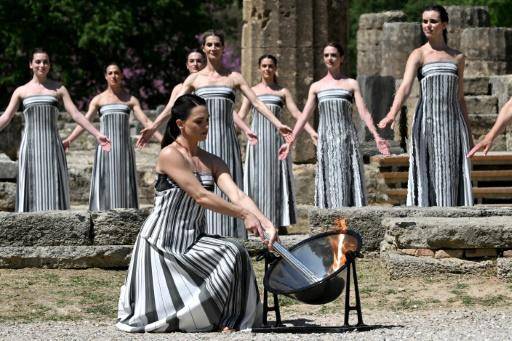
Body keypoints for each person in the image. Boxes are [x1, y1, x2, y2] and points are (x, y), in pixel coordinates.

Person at [116, 94, 278, 333]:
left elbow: (238, 195)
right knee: (232, 251)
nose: (206, 126)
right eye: (199, 122)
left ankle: (230, 320)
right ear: (180, 124)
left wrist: (267, 224)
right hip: (162, 244)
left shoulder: (211, 160)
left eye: (207, 120)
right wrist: (244, 216)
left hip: (193, 239)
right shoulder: (170, 155)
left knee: (236, 251)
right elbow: (200, 195)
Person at [137, 30, 291, 239]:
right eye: (209, 45)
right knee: (204, 188)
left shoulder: (234, 78)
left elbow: (256, 102)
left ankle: (234, 236)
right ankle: (207, 235)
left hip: (227, 140)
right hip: (201, 142)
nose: (213, 48)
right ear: (204, 48)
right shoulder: (194, 79)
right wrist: (153, 126)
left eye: (217, 44)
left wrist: (278, 124)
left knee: (232, 188)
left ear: (223, 48)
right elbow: (175, 107)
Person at [378, 5, 473, 207]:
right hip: (427, 123)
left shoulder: (458, 58)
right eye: (425, 21)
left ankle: (452, 221)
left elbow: (460, 97)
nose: (428, 25)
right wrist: (391, 114)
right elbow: (404, 87)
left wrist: (469, 134)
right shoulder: (418, 55)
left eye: (433, 21)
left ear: (444, 24)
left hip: (452, 124)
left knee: (452, 171)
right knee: (428, 169)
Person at [279, 42, 390, 208]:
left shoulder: (351, 84)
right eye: (326, 55)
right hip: (327, 142)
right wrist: (290, 141)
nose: (330, 58)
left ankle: (350, 221)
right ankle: (331, 222)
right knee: (330, 180)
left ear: (341, 58)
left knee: (348, 179)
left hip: (347, 140)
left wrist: (376, 136)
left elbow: (363, 111)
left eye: (334, 55)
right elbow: (304, 116)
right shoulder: (316, 87)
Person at [0, 48, 110, 212]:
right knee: (30, 189)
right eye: (38, 61)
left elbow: (76, 114)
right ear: (31, 64)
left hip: (52, 147)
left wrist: (97, 134)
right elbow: (6, 117)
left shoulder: (59, 89)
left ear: (49, 65)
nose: (42, 65)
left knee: (54, 188)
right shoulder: (21, 91)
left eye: (45, 62)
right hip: (30, 148)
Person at [62, 63, 162, 211]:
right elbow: (84, 121)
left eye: (116, 73)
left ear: (121, 75)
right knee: (105, 185)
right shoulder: (98, 100)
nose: (113, 76)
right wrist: (69, 140)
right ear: (106, 76)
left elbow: (147, 122)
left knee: (124, 184)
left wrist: (165, 141)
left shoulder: (130, 100)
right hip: (105, 149)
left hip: (124, 150)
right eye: (110, 73)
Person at [238, 54, 317, 230]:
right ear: (259, 68)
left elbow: (297, 114)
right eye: (264, 66)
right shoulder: (251, 91)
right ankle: (257, 222)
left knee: (277, 181)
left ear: (275, 68)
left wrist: (312, 132)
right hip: (257, 143)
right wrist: (239, 129)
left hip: (276, 143)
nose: (267, 69)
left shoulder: (282, 92)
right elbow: (241, 115)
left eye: (270, 66)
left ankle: (279, 223)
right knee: (256, 181)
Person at [169, 49, 258, 145]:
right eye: (191, 61)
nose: (195, 64)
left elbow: (226, 110)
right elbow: (170, 109)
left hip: (217, 133)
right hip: (192, 134)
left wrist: (245, 128)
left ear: (204, 63)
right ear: (187, 65)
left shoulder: (209, 86)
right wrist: (154, 126)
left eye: (199, 61)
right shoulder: (179, 88)